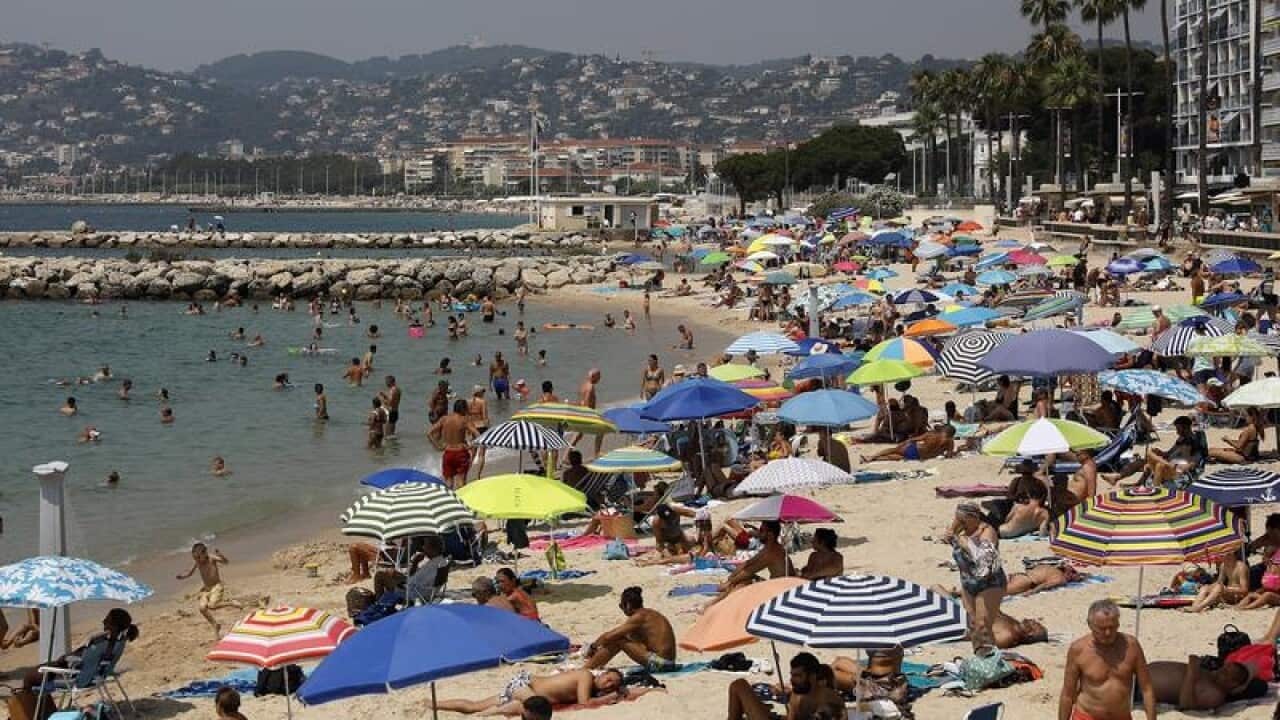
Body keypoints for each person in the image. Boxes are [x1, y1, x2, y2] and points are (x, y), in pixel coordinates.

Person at [1058, 599, 1156, 720]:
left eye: (1112, 627)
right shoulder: (1078, 650)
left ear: (1118, 624)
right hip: (1087, 716)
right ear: (1090, 625)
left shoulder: (1131, 646)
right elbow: (1068, 694)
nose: (1108, 633)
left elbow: (1147, 689)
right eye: (1102, 628)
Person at [433, 668, 628, 715]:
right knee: (532, 705)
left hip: (523, 687)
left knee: (473, 706)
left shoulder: (591, 686)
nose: (609, 684)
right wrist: (610, 698)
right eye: (609, 678)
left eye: (613, 684)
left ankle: (432, 703)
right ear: (602, 673)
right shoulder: (586, 676)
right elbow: (584, 703)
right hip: (525, 685)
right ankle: (486, 716)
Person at [949, 502, 1004, 650]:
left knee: (983, 626)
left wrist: (966, 544)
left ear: (974, 517)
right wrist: (952, 533)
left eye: (963, 520)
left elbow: (985, 563)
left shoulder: (987, 532)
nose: (960, 523)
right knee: (973, 626)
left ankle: (992, 660)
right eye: (957, 519)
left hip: (989, 583)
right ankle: (980, 660)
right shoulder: (962, 532)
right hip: (968, 584)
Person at [583, 587, 677, 671]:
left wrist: (593, 647)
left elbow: (608, 637)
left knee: (618, 640)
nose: (621, 609)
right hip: (668, 663)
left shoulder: (639, 617)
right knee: (624, 637)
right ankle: (594, 665)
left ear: (627, 605)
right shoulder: (650, 614)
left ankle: (586, 668)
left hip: (662, 664)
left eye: (621, 606)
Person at [725, 653, 842, 720]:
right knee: (739, 686)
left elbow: (824, 713)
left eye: (797, 676)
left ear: (812, 676)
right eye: (792, 675)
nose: (792, 680)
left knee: (739, 686)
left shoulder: (829, 702)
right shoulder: (800, 695)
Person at [1145, 656, 1267, 711]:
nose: (1220, 671)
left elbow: (1186, 704)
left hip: (1140, 688)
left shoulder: (1216, 695)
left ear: (1233, 685)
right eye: (1224, 668)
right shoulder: (1212, 678)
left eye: (1225, 673)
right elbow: (1253, 666)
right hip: (1139, 674)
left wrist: (1191, 672)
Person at [177, 543, 240, 637]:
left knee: (212, 605)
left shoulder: (212, 558)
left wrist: (220, 555)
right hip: (206, 589)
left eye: (198, 557)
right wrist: (182, 576)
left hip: (216, 586)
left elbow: (226, 562)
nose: (196, 559)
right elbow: (190, 572)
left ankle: (231, 603)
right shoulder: (197, 562)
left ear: (205, 553)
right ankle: (215, 625)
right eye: (194, 557)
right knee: (202, 608)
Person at [717, 520, 792, 597]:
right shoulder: (770, 548)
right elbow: (747, 563)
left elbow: (749, 570)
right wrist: (729, 579)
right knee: (743, 580)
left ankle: (716, 603)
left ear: (770, 535)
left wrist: (729, 583)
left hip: (781, 591)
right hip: (776, 584)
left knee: (742, 584)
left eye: (761, 530)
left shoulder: (772, 552)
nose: (758, 533)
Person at [429, 399, 477, 489]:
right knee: (461, 481)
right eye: (466, 408)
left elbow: (429, 433)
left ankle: (449, 500)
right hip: (461, 453)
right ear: (463, 409)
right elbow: (477, 434)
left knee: (448, 483)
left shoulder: (444, 419)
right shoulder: (464, 420)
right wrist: (471, 445)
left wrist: (437, 446)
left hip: (448, 453)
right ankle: (461, 500)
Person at [860, 424, 956, 463]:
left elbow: (913, 440)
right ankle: (871, 459)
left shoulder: (931, 435)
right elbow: (949, 455)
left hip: (914, 450)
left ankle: (871, 457)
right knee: (893, 455)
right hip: (917, 456)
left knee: (893, 452)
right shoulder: (950, 442)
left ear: (943, 431)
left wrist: (904, 443)